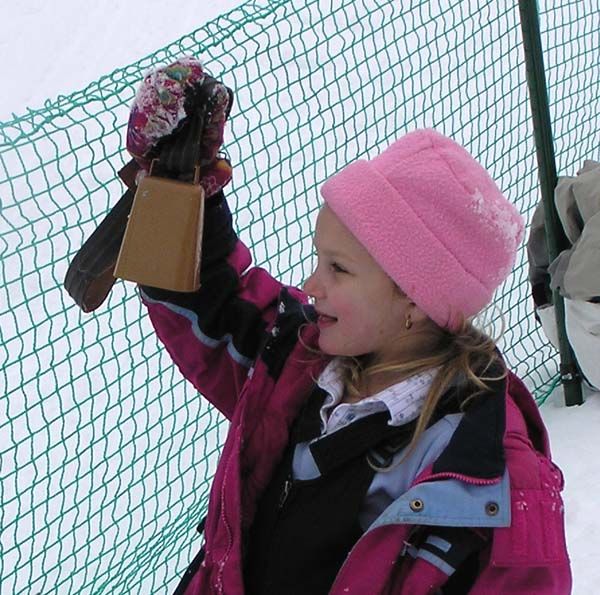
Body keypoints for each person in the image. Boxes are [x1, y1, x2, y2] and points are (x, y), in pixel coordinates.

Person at [140, 128, 571, 594]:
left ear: (414, 298)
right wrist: (176, 192)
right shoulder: (300, 360)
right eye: (318, 259)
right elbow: (217, 301)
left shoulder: (492, 484)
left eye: (338, 268)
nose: (311, 283)